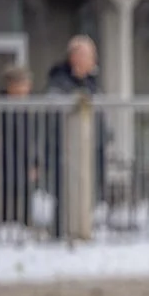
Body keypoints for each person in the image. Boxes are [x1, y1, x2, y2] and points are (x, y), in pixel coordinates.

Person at [44, 35, 105, 238]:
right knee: (66, 193)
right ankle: (63, 233)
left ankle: (83, 229)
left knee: (87, 193)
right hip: (65, 149)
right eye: (89, 55)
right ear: (75, 57)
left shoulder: (91, 83)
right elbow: (55, 109)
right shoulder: (59, 81)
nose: (94, 60)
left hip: (90, 149)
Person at [0, 66, 37, 227]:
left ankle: (24, 227)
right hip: (2, 162)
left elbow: (35, 137)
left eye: (26, 84)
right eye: (20, 84)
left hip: (24, 161)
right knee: (4, 201)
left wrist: (36, 161)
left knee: (24, 201)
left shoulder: (32, 107)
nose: (24, 89)